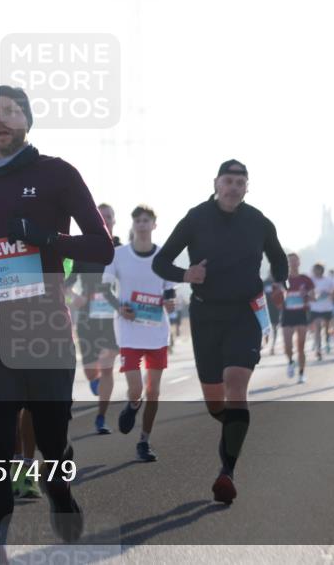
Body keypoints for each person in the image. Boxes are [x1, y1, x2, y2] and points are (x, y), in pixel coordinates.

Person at [0, 86, 113, 563]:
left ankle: (59, 490)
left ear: (28, 121)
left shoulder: (57, 173)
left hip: (43, 330)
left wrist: (48, 239)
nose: (1, 119)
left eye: (11, 112)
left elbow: (101, 247)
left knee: (52, 442)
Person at [153, 159, 288, 505]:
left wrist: (281, 284)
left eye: (240, 183)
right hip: (205, 314)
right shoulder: (196, 217)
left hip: (245, 313)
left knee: (236, 383)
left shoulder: (258, 221)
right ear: (216, 183)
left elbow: (278, 257)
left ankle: (226, 472)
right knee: (216, 403)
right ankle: (232, 429)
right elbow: (161, 261)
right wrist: (186, 275)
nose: (233, 187)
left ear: (247, 187)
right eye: (227, 181)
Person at [103, 205, 175, 462]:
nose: (142, 225)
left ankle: (144, 441)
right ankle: (133, 405)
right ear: (133, 225)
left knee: (153, 391)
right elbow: (106, 289)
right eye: (138, 221)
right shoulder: (118, 255)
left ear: (154, 224)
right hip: (129, 332)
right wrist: (118, 308)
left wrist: (170, 303)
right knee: (136, 389)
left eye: (147, 220)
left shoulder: (164, 255)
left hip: (157, 333)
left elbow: (170, 291)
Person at [64, 203, 121, 434]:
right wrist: (74, 298)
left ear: (114, 220)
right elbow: (66, 283)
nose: (105, 220)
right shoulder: (86, 248)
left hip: (112, 316)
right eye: (101, 216)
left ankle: (101, 417)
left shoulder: (121, 251)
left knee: (107, 367)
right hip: (88, 316)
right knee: (91, 371)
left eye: (109, 216)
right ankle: (94, 382)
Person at [281, 253, 314, 382]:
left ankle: (301, 373)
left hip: (301, 314)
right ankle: (290, 361)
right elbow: (277, 297)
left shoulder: (305, 279)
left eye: (295, 261)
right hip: (287, 315)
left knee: (301, 346)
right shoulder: (283, 279)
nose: (293, 263)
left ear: (299, 262)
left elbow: (313, 297)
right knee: (287, 346)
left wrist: (306, 294)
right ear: (287, 264)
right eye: (290, 261)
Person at [308, 263, 334, 359]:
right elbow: (307, 291)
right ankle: (318, 349)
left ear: (321, 270)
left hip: (327, 307)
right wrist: (312, 295)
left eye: (318, 269)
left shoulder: (328, 280)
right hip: (315, 308)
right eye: (315, 269)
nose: (316, 271)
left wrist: (329, 294)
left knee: (326, 328)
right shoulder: (311, 280)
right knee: (317, 328)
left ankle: (327, 341)